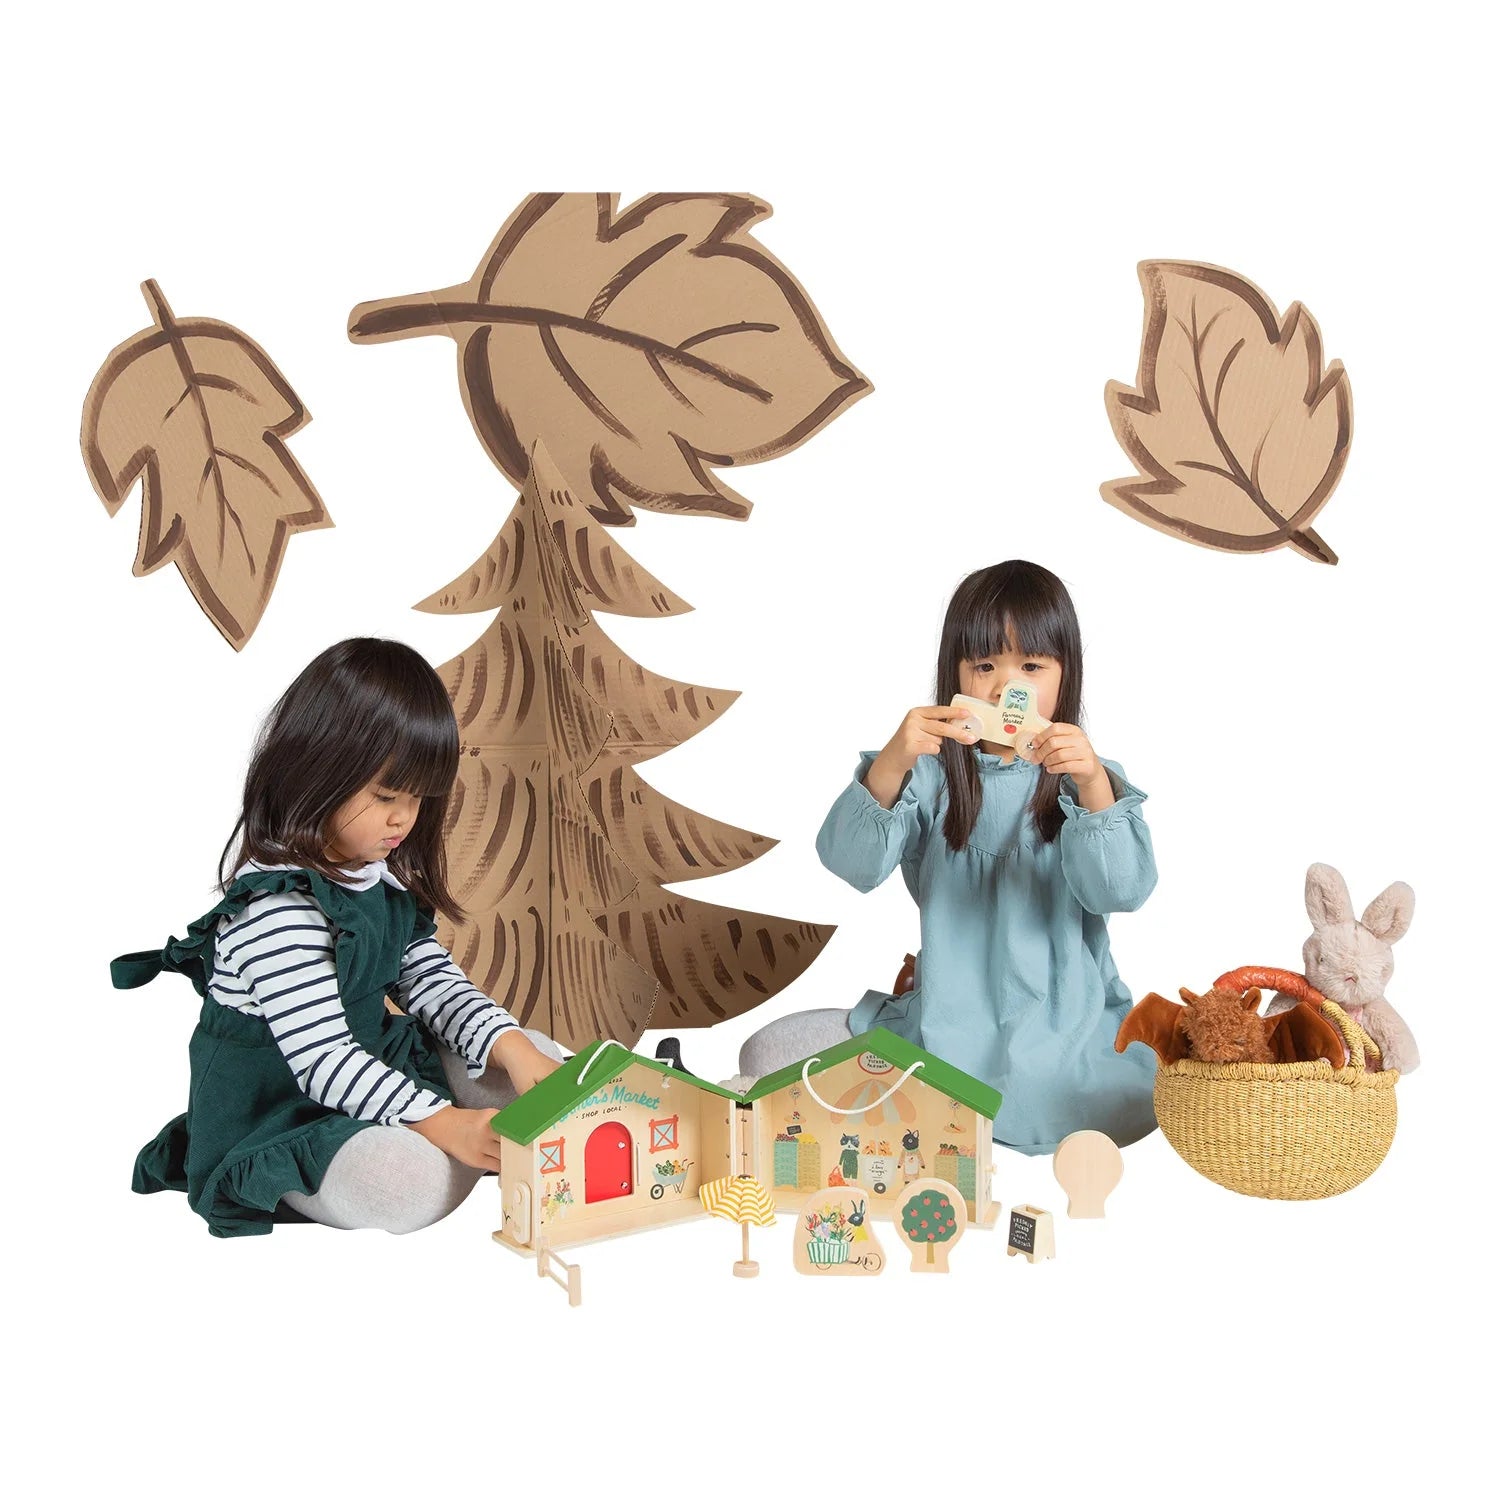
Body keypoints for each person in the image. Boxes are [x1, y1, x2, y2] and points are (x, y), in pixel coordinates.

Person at [114, 638, 564, 1236]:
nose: (404, 818)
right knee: (398, 1182)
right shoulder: (273, 912)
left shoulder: (373, 878)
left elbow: (433, 985)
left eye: (417, 799)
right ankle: (453, 1155)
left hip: (374, 1069)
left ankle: (471, 1142)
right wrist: (445, 1123)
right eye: (386, 796)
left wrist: (510, 1046)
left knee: (536, 1057)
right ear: (317, 772)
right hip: (284, 1106)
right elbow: (322, 1060)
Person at [739, 561, 1158, 1155]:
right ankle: (940, 1110)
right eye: (984, 666)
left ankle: (960, 1116)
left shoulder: (1083, 779)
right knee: (763, 1052)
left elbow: (1123, 891)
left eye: (1031, 667)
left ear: (1066, 674)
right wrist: (893, 761)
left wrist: (1092, 786)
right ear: (954, 674)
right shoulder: (931, 777)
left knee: (1101, 1095)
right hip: (943, 1028)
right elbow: (852, 865)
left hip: (1066, 1038)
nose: (1005, 689)